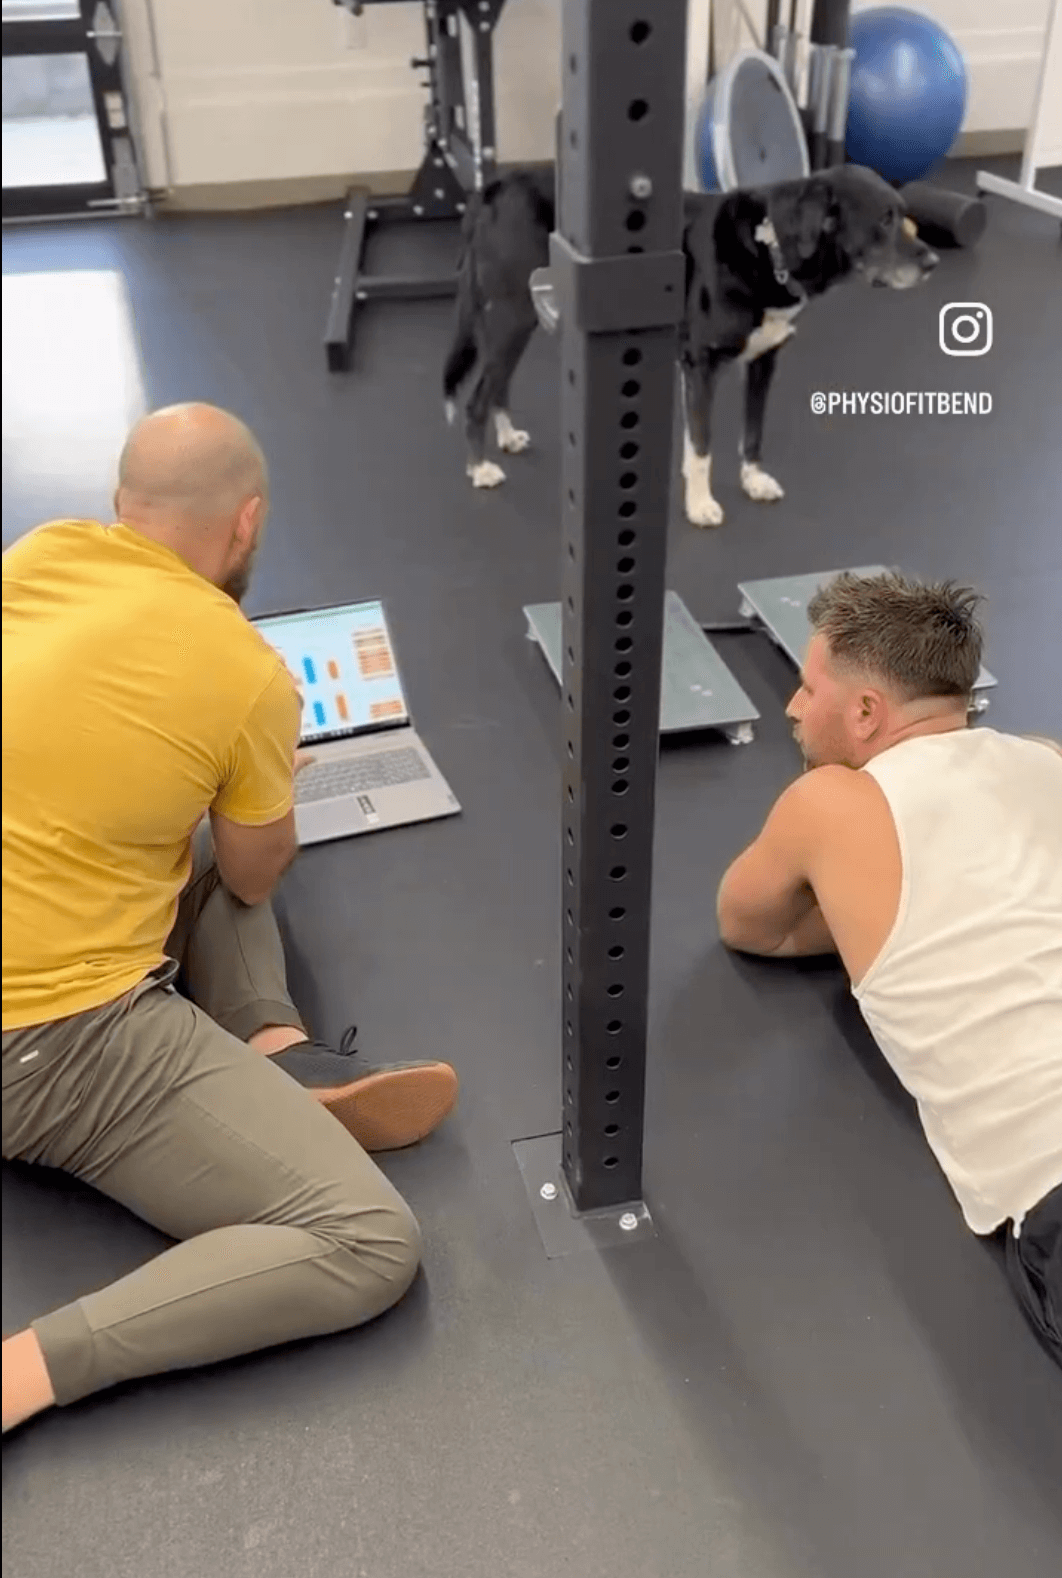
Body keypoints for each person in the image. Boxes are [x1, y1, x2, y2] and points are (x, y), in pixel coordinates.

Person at [2, 403, 459, 1434]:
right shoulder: (243, 666)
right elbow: (256, 870)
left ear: (122, 505)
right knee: (366, 1240)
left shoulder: (40, 554)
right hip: (49, 1049)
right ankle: (24, 1372)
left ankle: (276, 1052)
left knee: (173, 849)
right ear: (245, 524)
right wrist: (261, 788)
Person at [716, 572, 1062, 1365]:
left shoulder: (828, 801)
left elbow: (750, 926)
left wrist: (871, 915)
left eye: (808, 689)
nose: (793, 709)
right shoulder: (1046, 761)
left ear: (867, 712)